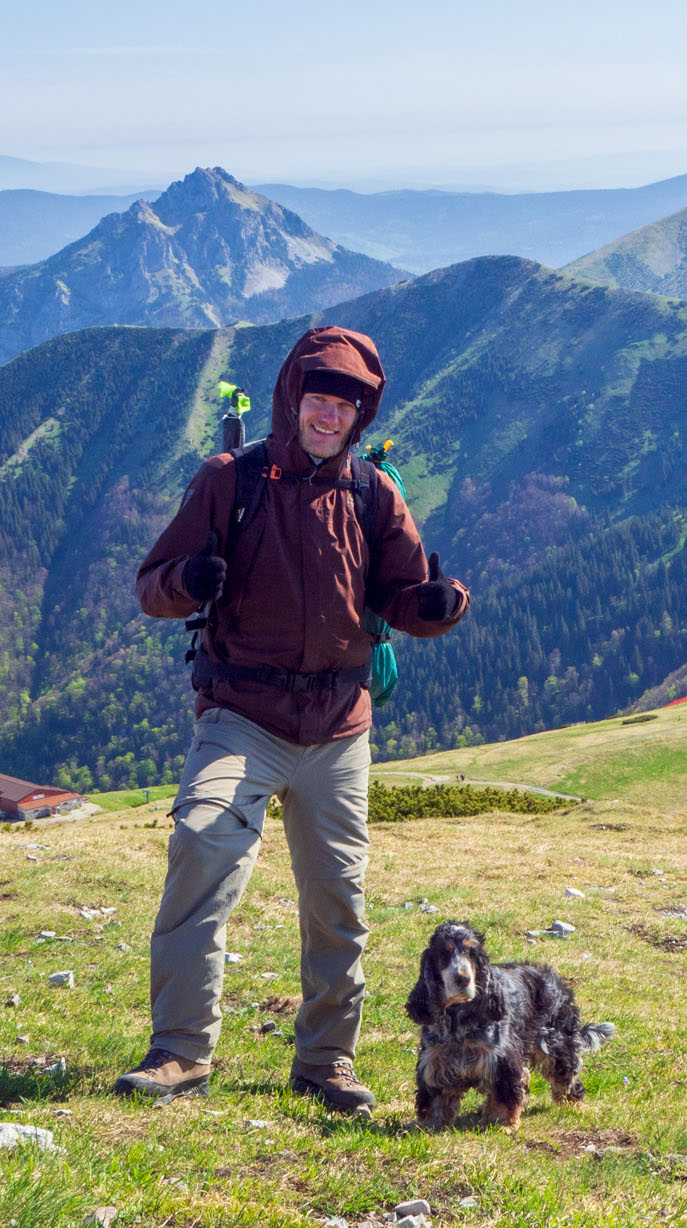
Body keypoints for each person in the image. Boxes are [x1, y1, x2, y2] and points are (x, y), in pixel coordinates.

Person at [120, 325, 470, 1114]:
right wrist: (188, 577)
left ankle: (325, 1063)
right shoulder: (229, 480)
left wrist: (441, 608)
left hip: (340, 726)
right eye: (318, 396)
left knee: (338, 900)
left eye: (345, 403)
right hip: (241, 715)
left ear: (361, 414)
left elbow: (402, 595)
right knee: (202, 843)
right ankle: (178, 1053)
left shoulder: (375, 495)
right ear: (292, 397)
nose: (329, 413)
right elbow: (151, 585)